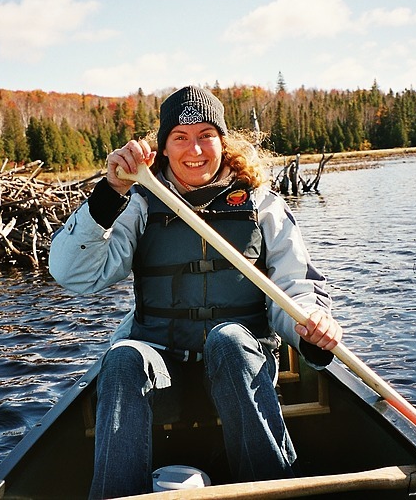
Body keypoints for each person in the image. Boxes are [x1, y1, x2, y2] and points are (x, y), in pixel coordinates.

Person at [49, 85, 342, 499]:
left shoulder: (261, 205)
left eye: (206, 134)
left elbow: (295, 288)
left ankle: (275, 487)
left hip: (241, 362)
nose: (195, 149)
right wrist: (108, 195)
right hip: (162, 367)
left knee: (229, 340)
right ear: (164, 148)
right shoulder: (137, 204)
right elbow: (73, 274)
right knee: (121, 359)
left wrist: (311, 327)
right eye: (180, 137)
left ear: (222, 142)